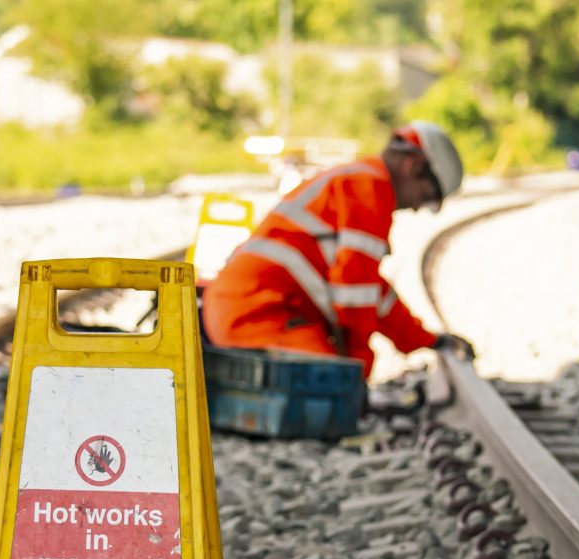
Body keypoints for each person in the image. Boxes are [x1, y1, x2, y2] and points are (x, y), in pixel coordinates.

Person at [202, 121, 475, 377]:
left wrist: (427, 340)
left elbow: (371, 290)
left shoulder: (361, 180)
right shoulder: (369, 190)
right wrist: (356, 372)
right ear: (413, 166)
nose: (418, 208)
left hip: (244, 308)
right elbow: (355, 295)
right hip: (254, 315)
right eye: (426, 196)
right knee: (328, 382)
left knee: (330, 382)